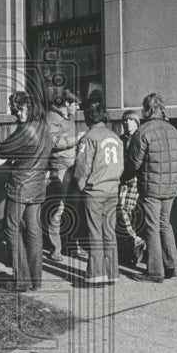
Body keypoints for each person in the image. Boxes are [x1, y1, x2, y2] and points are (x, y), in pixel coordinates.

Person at [0, 91, 51, 292]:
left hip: (19, 186)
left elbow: (2, 150)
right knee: (34, 231)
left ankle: (21, 279)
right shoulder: (44, 127)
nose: (16, 114)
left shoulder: (25, 130)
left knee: (11, 229)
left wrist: (0, 148)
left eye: (17, 109)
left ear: (26, 108)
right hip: (37, 186)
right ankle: (36, 279)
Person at [124, 93, 177, 284]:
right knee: (165, 224)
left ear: (146, 109)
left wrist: (124, 178)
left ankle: (155, 272)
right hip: (171, 185)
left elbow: (134, 163)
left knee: (152, 227)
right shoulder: (175, 131)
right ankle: (172, 266)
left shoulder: (144, 131)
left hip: (150, 187)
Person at [73, 99, 123, 287]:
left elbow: (81, 166)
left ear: (88, 117)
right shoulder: (115, 137)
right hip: (112, 189)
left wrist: (81, 183)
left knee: (95, 232)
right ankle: (112, 273)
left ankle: (96, 274)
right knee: (109, 231)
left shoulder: (88, 137)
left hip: (95, 190)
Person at [43, 90, 80, 262]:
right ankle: (55, 248)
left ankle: (70, 246)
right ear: (67, 103)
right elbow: (54, 142)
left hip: (71, 167)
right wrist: (75, 139)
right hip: (60, 168)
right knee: (58, 209)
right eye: (76, 104)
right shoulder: (52, 118)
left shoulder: (67, 118)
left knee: (72, 207)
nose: (78, 107)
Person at [116, 110, 146, 265]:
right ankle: (134, 242)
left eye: (130, 120)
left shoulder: (139, 137)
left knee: (126, 210)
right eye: (125, 120)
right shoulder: (121, 139)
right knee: (121, 210)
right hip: (123, 180)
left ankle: (135, 240)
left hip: (134, 179)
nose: (127, 123)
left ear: (136, 122)